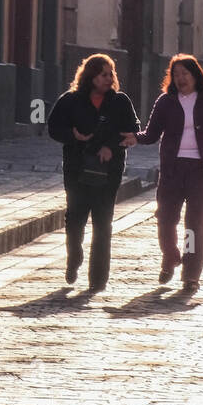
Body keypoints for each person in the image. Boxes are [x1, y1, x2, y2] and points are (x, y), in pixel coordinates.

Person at [135, 55, 203, 294]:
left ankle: (190, 274)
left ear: (195, 75)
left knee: (194, 226)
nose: (180, 78)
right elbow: (152, 133)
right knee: (165, 218)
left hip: (201, 171)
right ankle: (170, 255)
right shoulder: (166, 102)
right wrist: (133, 137)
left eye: (184, 74)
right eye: (176, 74)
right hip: (172, 170)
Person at [47, 54, 139, 292]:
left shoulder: (120, 101)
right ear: (91, 76)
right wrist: (73, 136)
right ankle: (74, 258)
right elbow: (54, 128)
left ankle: (98, 279)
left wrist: (112, 146)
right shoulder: (71, 100)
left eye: (111, 74)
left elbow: (132, 129)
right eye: (103, 74)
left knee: (103, 222)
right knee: (75, 217)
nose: (109, 79)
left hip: (109, 171)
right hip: (77, 167)